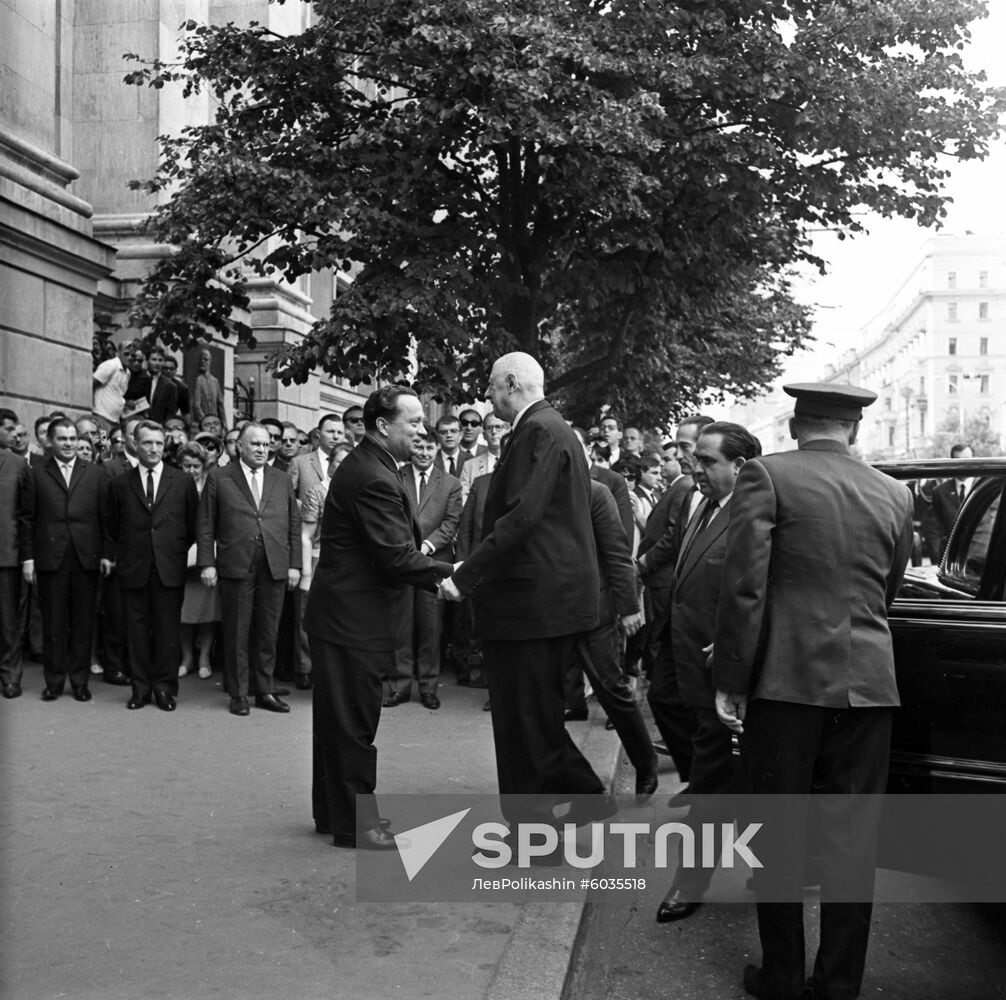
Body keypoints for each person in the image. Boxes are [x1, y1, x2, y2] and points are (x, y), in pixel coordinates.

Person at [712, 383, 914, 1000]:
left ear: (798, 425)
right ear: (852, 430)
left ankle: (780, 978)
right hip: (869, 686)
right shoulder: (896, 493)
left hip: (786, 683)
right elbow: (890, 588)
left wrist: (731, 680)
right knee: (852, 844)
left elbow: (745, 588)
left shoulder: (766, 476)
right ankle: (837, 986)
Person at [441, 352, 611, 836]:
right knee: (532, 721)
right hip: (540, 603)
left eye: (492, 387)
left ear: (512, 383)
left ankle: (537, 836)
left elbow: (520, 518)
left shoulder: (539, 430)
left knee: (523, 727)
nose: (488, 398)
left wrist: (464, 576)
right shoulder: (550, 428)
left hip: (531, 605)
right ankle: (582, 802)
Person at [305, 386, 454, 850]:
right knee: (354, 725)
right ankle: (358, 828)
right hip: (355, 621)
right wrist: (455, 576)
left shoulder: (373, 466)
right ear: (383, 426)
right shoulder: (375, 475)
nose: (421, 430)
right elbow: (395, 557)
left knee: (338, 721)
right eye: (412, 422)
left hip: (343, 617)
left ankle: (335, 816)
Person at [653, 421, 760, 923]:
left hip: (724, 671)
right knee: (715, 774)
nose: (696, 468)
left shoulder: (753, 515)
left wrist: (734, 646)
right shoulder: (703, 503)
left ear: (739, 466)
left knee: (716, 780)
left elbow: (759, 591)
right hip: (686, 659)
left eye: (708, 461)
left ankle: (690, 881)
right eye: (695, 458)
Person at [197, 422, 301, 716]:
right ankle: (239, 693)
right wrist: (207, 563)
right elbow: (205, 524)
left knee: (268, 632)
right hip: (235, 563)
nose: (261, 449)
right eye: (255, 444)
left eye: (266, 445)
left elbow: (293, 524)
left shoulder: (280, 479)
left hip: (274, 564)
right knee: (237, 632)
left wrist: (295, 565)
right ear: (240, 446)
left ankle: (264, 691)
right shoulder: (219, 477)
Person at [103, 421, 198, 711]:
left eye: (158, 443)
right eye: (147, 443)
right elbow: (112, 526)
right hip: (134, 568)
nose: (154, 449)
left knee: (168, 630)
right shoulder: (120, 483)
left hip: (169, 567)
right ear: (135, 443)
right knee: (136, 630)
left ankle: (164, 688)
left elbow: (192, 526)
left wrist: (172, 552)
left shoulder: (181, 481)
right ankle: (140, 688)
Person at [20, 418, 108, 701]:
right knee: (54, 622)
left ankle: (80, 681)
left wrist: (107, 554)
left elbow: (106, 518)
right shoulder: (36, 473)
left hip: (86, 557)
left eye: (72, 438)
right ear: (51, 441)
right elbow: (27, 519)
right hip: (50, 557)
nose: (69, 444)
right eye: (63, 439)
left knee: (83, 622)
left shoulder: (95, 473)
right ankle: (55, 681)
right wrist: (29, 559)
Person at [385, 422, 462, 709]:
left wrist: (426, 546)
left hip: (433, 562)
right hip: (401, 561)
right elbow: (389, 515)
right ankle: (400, 686)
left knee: (431, 627)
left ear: (438, 448)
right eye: (419, 445)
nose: (424, 452)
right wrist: (406, 547)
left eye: (430, 447)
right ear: (411, 447)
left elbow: (452, 522)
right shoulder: (395, 477)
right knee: (401, 625)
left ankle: (428, 686)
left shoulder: (450, 483)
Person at [177, 443, 220, 680]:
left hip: (206, 554)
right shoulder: (174, 484)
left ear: (204, 466)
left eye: (196, 465)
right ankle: (186, 658)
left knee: (207, 610)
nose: (191, 470)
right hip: (180, 555)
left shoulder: (211, 485)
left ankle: (204, 656)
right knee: (184, 612)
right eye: (186, 465)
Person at [0, 408, 30, 698]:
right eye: (6, 429)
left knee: (9, 621)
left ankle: (10, 676)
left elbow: (26, 514)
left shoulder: (17, 465)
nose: (11, 434)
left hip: (7, 555)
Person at [929, 442, 974, 559]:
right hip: (950, 560)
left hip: (982, 560)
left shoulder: (986, 488)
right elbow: (934, 528)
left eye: (967, 460)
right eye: (958, 460)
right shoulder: (940, 492)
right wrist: (938, 558)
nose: (963, 465)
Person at [458, 413, 508, 504]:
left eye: (498, 427)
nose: (494, 431)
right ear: (484, 435)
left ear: (506, 431)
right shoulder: (470, 466)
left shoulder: (514, 461)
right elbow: (464, 498)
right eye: (489, 428)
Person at [192, 347, 227, 429]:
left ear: (210, 362)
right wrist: (205, 421)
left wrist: (224, 423)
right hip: (203, 424)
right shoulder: (199, 380)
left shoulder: (215, 381)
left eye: (206, 359)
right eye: (201, 359)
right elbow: (196, 404)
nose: (203, 362)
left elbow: (220, 404)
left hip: (215, 424)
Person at [145, 346, 179, 424]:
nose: (157, 363)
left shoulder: (170, 386)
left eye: (160, 360)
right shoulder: (138, 378)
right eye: (154, 359)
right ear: (147, 360)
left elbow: (171, 414)